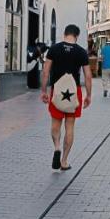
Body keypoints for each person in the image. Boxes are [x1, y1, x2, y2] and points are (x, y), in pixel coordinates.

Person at [41, 25, 92, 171]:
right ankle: (64, 161)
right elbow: (88, 76)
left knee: (55, 124)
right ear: (77, 36)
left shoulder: (54, 49)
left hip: (57, 90)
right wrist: (88, 95)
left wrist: (44, 91)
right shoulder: (81, 52)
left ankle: (57, 147)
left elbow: (45, 72)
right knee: (70, 126)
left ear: (64, 34)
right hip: (74, 92)